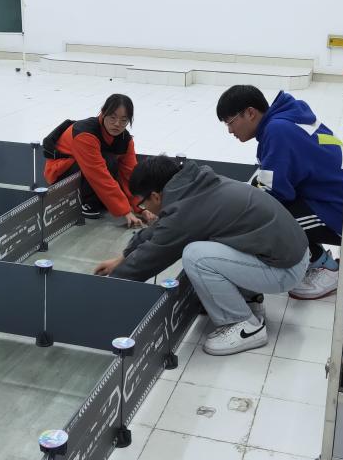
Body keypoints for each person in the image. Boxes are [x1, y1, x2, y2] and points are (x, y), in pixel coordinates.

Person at [94, 156, 309, 356]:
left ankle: (244, 325)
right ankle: (248, 301)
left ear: (156, 196)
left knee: (196, 255)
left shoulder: (187, 209)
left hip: (284, 270)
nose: (143, 208)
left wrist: (106, 290)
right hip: (287, 255)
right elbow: (163, 227)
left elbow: (151, 257)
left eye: (142, 204)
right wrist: (124, 256)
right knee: (212, 241)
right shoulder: (195, 185)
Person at [216, 85, 343, 300]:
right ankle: (317, 258)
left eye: (230, 122)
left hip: (338, 213)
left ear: (250, 113)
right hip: (338, 200)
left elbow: (273, 194)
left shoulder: (278, 131)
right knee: (262, 202)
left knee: (263, 219)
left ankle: (326, 266)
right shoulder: (287, 118)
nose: (230, 131)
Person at [42, 94, 152, 228]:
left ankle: (97, 199)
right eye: (112, 118)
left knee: (109, 161)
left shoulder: (125, 140)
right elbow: (98, 174)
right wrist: (125, 210)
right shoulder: (85, 134)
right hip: (62, 174)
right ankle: (87, 203)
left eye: (124, 120)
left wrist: (140, 207)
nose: (117, 124)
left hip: (88, 175)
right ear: (103, 113)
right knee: (107, 161)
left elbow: (130, 175)